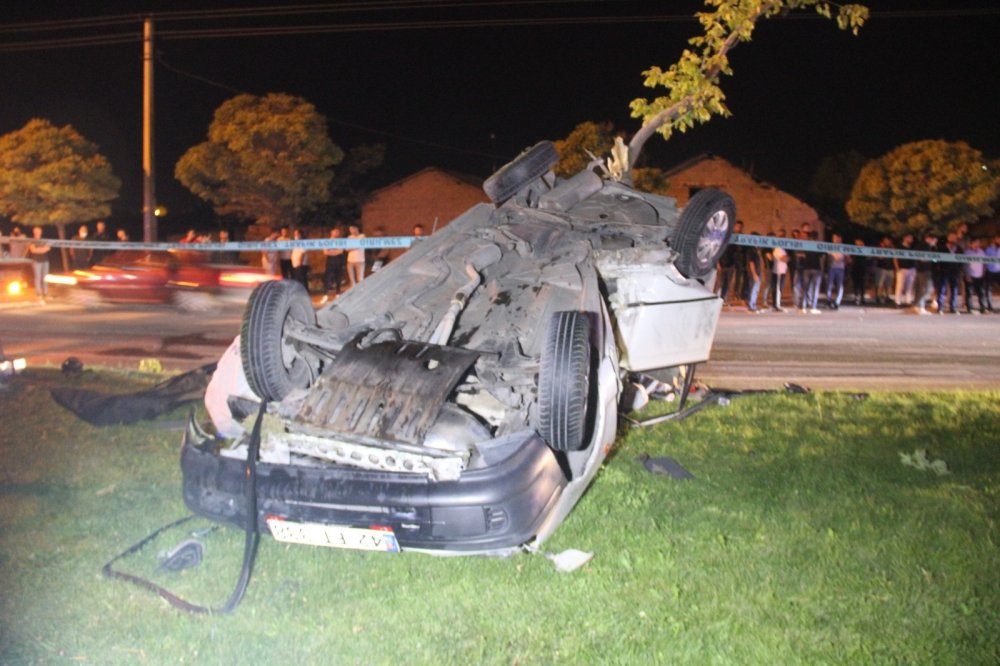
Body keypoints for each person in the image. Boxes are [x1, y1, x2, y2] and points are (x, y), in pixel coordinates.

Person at [937, 233, 962, 315]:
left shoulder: (959, 249)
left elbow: (962, 260)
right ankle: (940, 307)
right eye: (951, 237)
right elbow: (936, 258)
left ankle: (953, 308)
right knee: (942, 289)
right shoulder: (942, 248)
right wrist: (938, 267)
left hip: (955, 271)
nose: (953, 239)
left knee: (954, 290)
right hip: (944, 271)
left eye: (954, 237)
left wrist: (959, 269)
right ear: (948, 238)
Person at [913, 231, 938, 314]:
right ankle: (920, 306)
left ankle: (917, 306)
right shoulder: (924, 246)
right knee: (926, 289)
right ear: (929, 239)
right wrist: (933, 259)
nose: (935, 242)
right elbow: (922, 259)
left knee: (920, 289)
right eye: (934, 240)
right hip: (924, 270)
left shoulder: (928, 246)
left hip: (922, 270)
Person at [800, 231, 824, 314]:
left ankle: (803, 307)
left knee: (805, 288)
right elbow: (821, 255)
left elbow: (803, 254)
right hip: (816, 268)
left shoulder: (806, 245)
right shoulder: (819, 245)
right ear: (817, 237)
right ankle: (813, 307)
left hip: (806, 267)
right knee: (815, 288)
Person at [320, 226, 346, 304]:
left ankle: (338, 294)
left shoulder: (340, 241)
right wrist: (334, 252)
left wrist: (332, 251)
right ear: (332, 232)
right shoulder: (327, 241)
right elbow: (325, 252)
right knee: (327, 278)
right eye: (335, 231)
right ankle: (325, 295)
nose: (337, 233)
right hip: (330, 261)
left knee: (339, 277)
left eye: (338, 232)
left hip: (339, 260)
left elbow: (341, 251)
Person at [963, 238, 987, 315]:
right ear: (971, 244)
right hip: (970, 275)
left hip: (979, 275)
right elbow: (965, 265)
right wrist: (967, 274)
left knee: (981, 292)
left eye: (978, 243)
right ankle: (969, 308)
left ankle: (983, 308)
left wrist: (983, 272)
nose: (977, 245)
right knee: (969, 293)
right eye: (975, 243)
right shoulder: (967, 252)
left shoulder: (981, 252)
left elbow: (984, 263)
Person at [27, 225, 51, 302]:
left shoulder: (44, 240)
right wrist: (42, 249)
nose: (38, 232)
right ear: (34, 231)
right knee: (38, 277)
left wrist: (39, 249)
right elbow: (33, 250)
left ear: (41, 231)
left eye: (39, 230)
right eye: (36, 230)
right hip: (36, 261)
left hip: (45, 260)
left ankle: (45, 293)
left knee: (45, 277)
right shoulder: (32, 240)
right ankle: (38, 294)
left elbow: (48, 248)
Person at [893, 233, 917, 308]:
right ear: (904, 238)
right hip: (902, 268)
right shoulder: (899, 247)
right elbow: (895, 258)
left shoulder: (912, 247)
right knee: (900, 286)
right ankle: (897, 301)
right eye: (909, 238)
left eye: (911, 238)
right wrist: (897, 268)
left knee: (909, 286)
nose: (911, 240)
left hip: (911, 268)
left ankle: (908, 301)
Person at [825, 233, 846, 309]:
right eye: (834, 238)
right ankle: (828, 300)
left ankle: (837, 302)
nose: (836, 240)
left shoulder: (844, 247)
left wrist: (844, 259)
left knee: (840, 285)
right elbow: (829, 256)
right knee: (829, 284)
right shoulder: (830, 247)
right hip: (832, 268)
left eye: (837, 238)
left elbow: (848, 257)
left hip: (840, 268)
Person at [745, 233, 764, 313]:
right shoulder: (751, 250)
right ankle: (751, 306)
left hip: (758, 272)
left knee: (756, 289)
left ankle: (753, 304)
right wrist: (754, 274)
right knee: (753, 288)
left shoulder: (757, 249)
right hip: (754, 273)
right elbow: (751, 263)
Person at [770, 233, 788, 311]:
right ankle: (776, 305)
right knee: (777, 288)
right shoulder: (778, 249)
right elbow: (784, 259)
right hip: (778, 271)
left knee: (779, 288)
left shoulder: (782, 249)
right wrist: (788, 258)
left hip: (782, 271)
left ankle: (777, 304)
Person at [874, 237, 895, 305]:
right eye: (886, 241)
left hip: (890, 268)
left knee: (889, 284)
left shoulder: (892, 248)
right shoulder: (879, 248)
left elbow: (894, 257)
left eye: (888, 241)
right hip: (881, 268)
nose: (887, 242)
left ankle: (887, 296)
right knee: (879, 283)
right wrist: (883, 249)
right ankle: (878, 296)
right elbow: (879, 257)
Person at [850, 239, 869, 305]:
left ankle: (862, 298)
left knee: (862, 284)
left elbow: (868, 257)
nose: (858, 244)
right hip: (855, 268)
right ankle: (856, 298)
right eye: (856, 243)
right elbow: (850, 257)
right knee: (856, 284)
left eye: (859, 243)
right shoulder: (853, 249)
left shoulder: (865, 249)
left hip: (863, 268)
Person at [984, 235, 999, 313]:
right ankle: (989, 306)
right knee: (988, 289)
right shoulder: (988, 249)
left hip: (998, 271)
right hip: (990, 271)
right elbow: (985, 260)